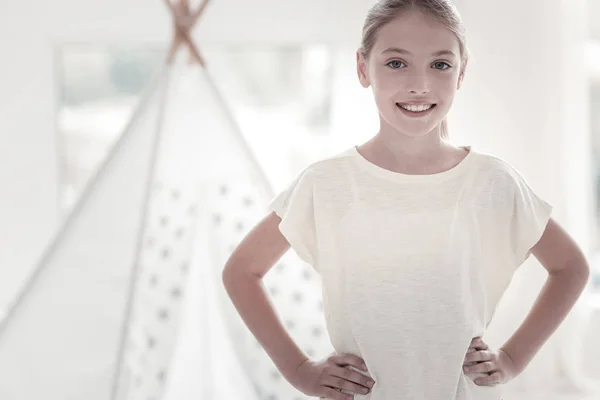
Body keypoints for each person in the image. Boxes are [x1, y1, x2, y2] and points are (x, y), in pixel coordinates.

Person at [221, 0, 591, 399]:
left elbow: (570, 267)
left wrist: (513, 359)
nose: (420, 84)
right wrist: (298, 370)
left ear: (461, 71)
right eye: (397, 63)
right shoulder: (326, 183)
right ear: (363, 68)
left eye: (440, 65)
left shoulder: (492, 182)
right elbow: (242, 271)